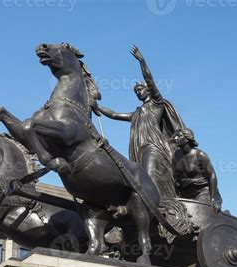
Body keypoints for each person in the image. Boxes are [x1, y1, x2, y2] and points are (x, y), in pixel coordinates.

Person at [94, 45, 184, 199]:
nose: (138, 93)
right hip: (139, 149)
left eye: (140, 89)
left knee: (148, 176)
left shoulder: (157, 104)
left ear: (148, 90)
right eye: (136, 92)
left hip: (153, 145)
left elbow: (150, 80)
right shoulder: (136, 114)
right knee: (139, 178)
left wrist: (141, 61)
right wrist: (96, 106)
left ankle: (159, 206)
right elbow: (114, 114)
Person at [170, 128, 223, 211]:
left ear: (187, 139)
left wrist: (213, 198)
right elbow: (176, 176)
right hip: (186, 193)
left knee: (198, 210)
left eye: (179, 136)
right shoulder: (176, 155)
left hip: (203, 191)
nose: (176, 139)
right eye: (175, 136)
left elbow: (212, 175)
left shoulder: (200, 155)